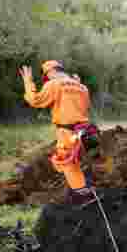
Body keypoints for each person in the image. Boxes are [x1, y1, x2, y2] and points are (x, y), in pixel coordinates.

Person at [19, 60, 96, 206]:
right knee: (75, 162)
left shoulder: (54, 84)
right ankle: (85, 190)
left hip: (67, 131)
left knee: (66, 161)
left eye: (47, 77)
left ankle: (85, 198)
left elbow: (35, 100)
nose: (47, 80)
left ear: (51, 72)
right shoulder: (82, 87)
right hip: (85, 130)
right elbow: (85, 107)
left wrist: (28, 82)